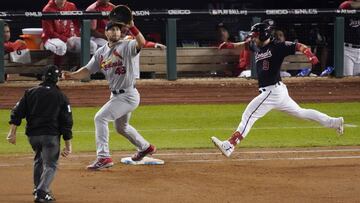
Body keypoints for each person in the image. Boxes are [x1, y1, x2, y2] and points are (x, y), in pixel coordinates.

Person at [211, 23, 344, 157]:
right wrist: (229, 45)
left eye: (256, 36)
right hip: (277, 91)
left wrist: (310, 55)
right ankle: (334, 122)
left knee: (249, 115)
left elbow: (299, 46)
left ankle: (229, 146)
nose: (253, 38)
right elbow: (245, 44)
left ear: (264, 35)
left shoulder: (278, 46)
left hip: (272, 92)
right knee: (301, 113)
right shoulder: (256, 44)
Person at [62, 20, 156, 170]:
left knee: (100, 118)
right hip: (116, 96)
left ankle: (103, 157)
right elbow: (87, 70)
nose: (115, 32)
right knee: (121, 127)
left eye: (118, 29)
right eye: (112, 30)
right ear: (105, 33)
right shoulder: (101, 52)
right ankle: (145, 147)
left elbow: (142, 42)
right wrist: (71, 75)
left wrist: (132, 25)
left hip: (128, 95)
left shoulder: (127, 46)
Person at [7, 64, 73, 202]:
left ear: (43, 77)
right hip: (50, 136)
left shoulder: (30, 92)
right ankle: (42, 192)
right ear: (57, 79)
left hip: (32, 136)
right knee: (51, 165)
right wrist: (68, 144)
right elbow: (66, 122)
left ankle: (38, 187)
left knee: (39, 158)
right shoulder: (61, 96)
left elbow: (17, 112)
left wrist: (12, 133)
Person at [339, 0, 360, 76]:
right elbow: (344, 6)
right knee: (348, 79)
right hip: (348, 50)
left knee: (357, 81)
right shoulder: (346, 4)